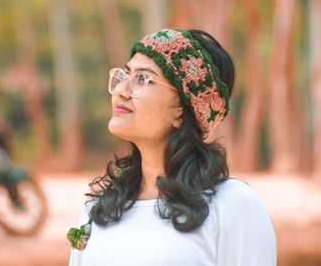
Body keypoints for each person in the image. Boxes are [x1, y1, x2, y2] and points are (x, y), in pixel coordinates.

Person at [68, 28, 276, 266]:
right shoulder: (99, 208)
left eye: (141, 79)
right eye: (125, 76)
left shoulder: (232, 206)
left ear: (182, 109)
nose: (120, 91)